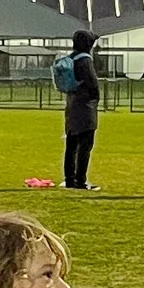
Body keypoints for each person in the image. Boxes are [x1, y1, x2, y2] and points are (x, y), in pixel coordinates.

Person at [61, 28, 102, 191]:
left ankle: (69, 179)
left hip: (71, 105)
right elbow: (92, 84)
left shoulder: (72, 58)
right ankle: (80, 180)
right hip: (85, 108)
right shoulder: (85, 60)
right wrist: (95, 98)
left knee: (71, 145)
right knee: (85, 145)